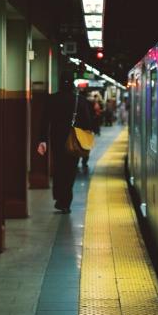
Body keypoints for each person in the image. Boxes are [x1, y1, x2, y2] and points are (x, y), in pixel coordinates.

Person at [37, 71, 92, 213]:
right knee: (70, 170)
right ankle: (65, 202)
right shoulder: (80, 100)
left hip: (56, 139)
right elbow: (87, 122)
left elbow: (44, 121)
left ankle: (59, 197)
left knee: (59, 167)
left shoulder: (51, 99)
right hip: (74, 139)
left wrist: (42, 140)